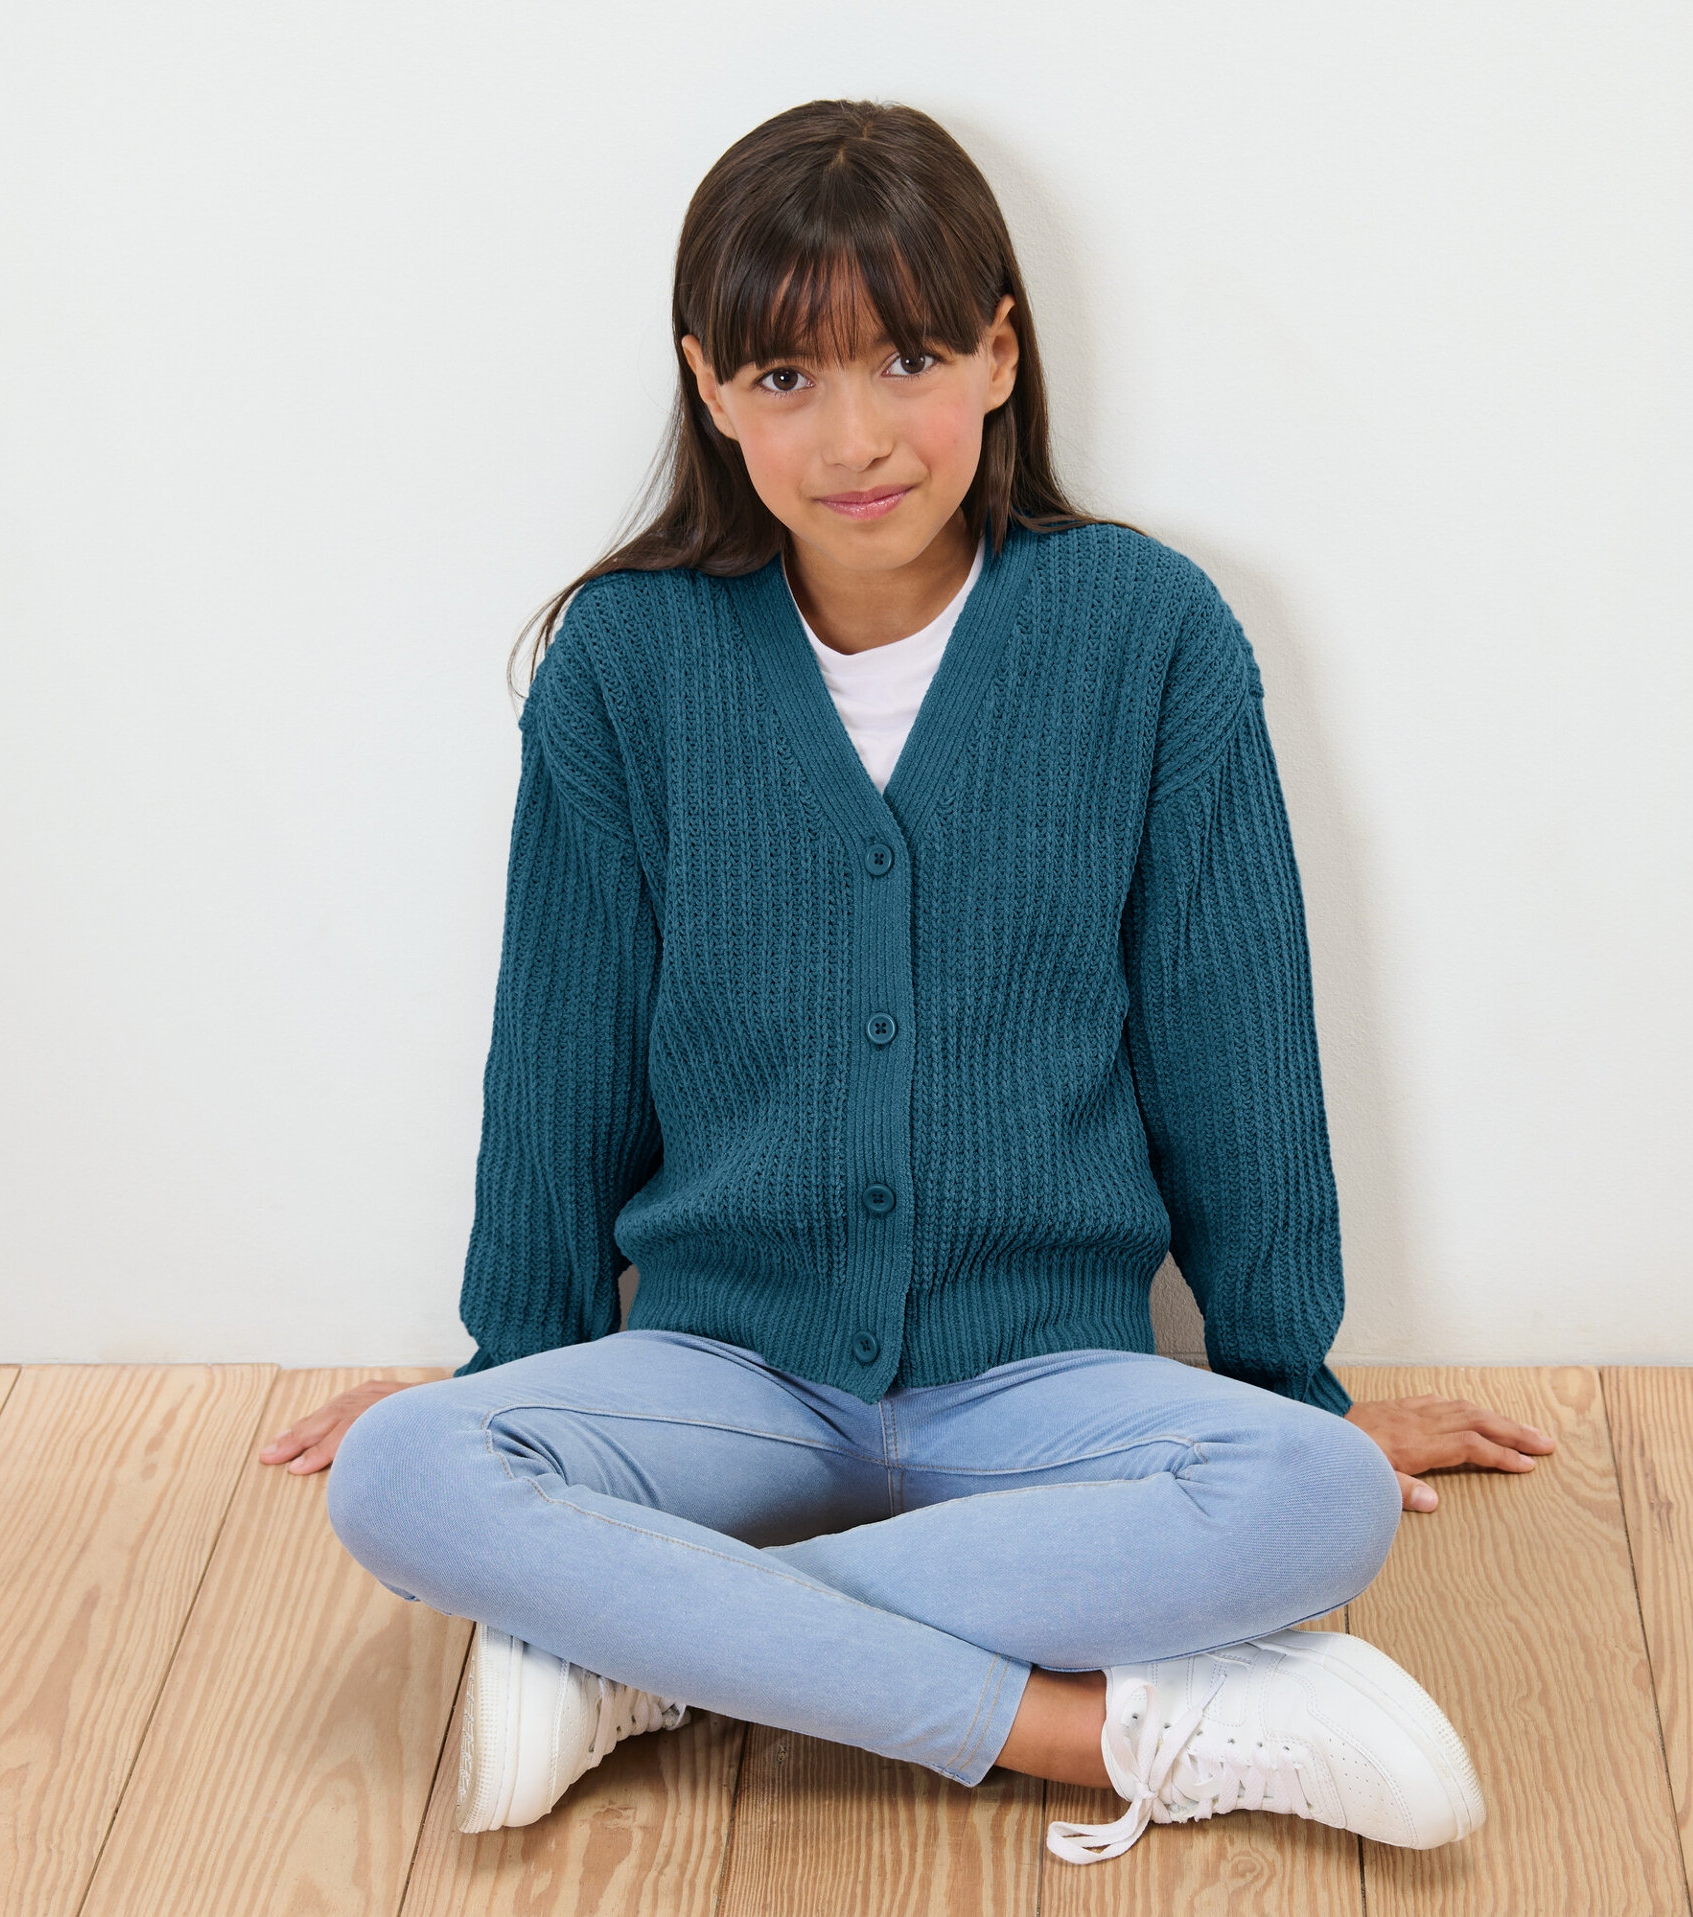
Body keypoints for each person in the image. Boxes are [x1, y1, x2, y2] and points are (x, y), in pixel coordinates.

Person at [264, 98, 1556, 1867]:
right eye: (785, 377)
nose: (854, 435)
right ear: (709, 387)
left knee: (1318, 1498)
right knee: (406, 1469)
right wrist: (512, 1390)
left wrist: (1289, 1384)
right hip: (725, 1370)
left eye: (910, 359)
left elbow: (1236, 1054)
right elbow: (557, 1065)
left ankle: (640, 1647)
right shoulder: (626, 663)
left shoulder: (1147, 635)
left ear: (1000, 356)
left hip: (1040, 1382)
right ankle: (1090, 1731)